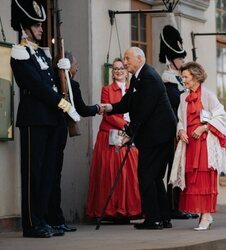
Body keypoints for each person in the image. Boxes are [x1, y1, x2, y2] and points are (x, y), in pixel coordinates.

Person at [10, 0, 80, 238]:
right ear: (26, 27)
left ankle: (45, 219)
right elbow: (36, 86)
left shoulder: (41, 54)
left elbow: (53, 83)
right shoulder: (20, 53)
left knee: (49, 172)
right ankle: (32, 223)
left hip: (50, 119)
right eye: (36, 26)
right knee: (34, 173)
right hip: (34, 119)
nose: (41, 29)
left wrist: (64, 72)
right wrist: (62, 103)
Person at [104, 47, 177, 230]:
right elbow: (129, 101)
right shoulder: (139, 76)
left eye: (127, 58)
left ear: (139, 58)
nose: (125, 61)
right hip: (156, 134)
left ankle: (153, 219)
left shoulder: (149, 76)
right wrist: (109, 108)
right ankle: (163, 218)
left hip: (158, 135)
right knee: (155, 177)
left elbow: (144, 109)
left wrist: (129, 132)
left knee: (146, 176)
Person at [46, 51, 103, 232]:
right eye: (75, 64)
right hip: (57, 133)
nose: (77, 68)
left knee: (52, 176)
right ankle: (55, 219)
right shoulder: (71, 84)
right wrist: (98, 108)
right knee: (54, 177)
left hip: (52, 133)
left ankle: (54, 218)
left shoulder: (53, 81)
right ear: (67, 65)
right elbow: (82, 109)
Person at [170, 62, 226, 231]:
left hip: (204, 144)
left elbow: (221, 117)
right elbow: (180, 119)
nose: (184, 80)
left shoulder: (208, 95)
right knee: (193, 181)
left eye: (186, 77)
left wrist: (204, 127)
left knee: (204, 179)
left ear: (195, 77)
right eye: (182, 77)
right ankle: (203, 215)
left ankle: (206, 216)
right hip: (190, 144)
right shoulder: (182, 97)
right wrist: (181, 131)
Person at [86, 58, 141, 222]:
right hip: (111, 135)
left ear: (126, 70)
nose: (118, 71)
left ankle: (127, 209)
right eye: (115, 69)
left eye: (122, 68)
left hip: (129, 134)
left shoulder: (134, 89)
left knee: (129, 173)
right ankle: (110, 211)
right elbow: (107, 113)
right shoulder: (107, 89)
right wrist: (127, 125)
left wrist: (134, 126)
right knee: (110, 173)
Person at [159, 25, 198, 220]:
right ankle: (173, 207)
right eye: (180, 58)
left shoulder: (181, 81)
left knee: (184, 168)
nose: (183, 60)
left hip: (186, 129)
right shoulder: (167, 82)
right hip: (173, 130)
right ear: (171, 60)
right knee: (174, 169)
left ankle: (181, 204)